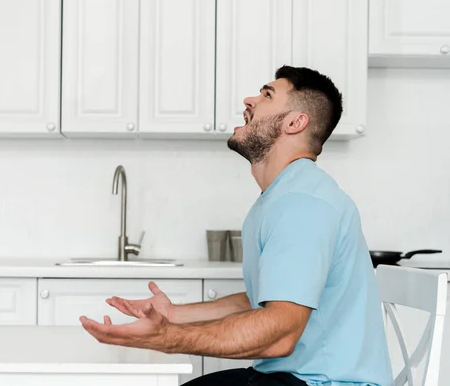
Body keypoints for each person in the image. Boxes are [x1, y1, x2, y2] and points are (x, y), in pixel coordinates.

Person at [79, 65, 394, 386]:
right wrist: (174, 315)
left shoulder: (303, 204)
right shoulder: (281, 197)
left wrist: (165, 336)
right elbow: (263, 299)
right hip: (292, 377)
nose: (249, 99)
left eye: (267, 95)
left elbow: (280, 334)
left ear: (295, 122)